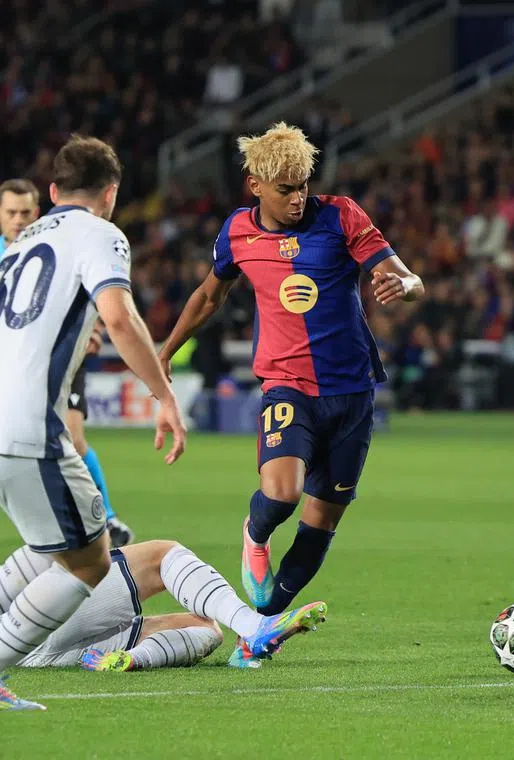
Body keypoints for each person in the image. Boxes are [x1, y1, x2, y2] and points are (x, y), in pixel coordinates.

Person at [0, 135, 194, 712]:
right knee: (90, 561)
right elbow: (118, 314)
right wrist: (162, 393)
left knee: (53, 547)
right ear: (110, 194)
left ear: (54, 191)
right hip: (29, 428)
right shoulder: (101, 234)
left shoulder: (14, 247)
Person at [157, 122, 423, 627]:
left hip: (352, 391)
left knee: (320, 522)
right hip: (287, 385)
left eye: (303, 185)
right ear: (255, 185)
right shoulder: (238, 231)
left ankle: (260, 624)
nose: (298, 197)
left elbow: (410, 277)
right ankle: (255, 535)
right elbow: (210, 296)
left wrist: (404, 286)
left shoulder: (341, 215)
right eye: (285, 190)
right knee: (282, 493)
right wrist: (166, 351)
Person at [0, 472, 325, 673]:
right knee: (163, 555)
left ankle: (127, 660)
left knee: (204, 626)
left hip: (27, 653)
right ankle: (257, 628)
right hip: (25, 620)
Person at [0, 179, 133, 547]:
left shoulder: (58, 240)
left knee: (74, 439)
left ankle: (105, 519)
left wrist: (86, 333)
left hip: (62, 359)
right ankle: (71, 530)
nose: (18, 220)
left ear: (39, 210)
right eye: (11, 213)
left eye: (26, 213)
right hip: (11, 364)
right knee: (31, 443)